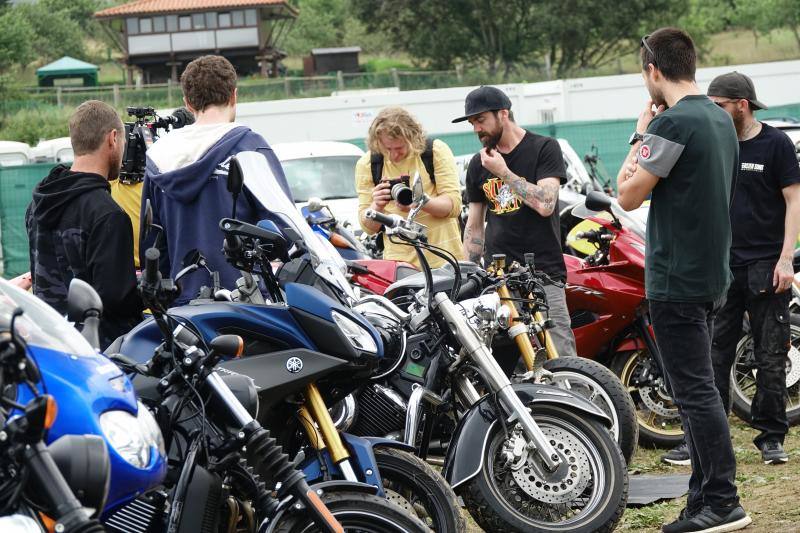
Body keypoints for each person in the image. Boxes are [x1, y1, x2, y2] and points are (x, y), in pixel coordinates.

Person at [616, 28, 750, 532]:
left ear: (654, 71)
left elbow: (626, 196)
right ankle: (702, 497)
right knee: (700, 390)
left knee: (695, 394)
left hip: (677, 278)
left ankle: (721, 500)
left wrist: (639, 134)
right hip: (713, 272)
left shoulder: (671, 124)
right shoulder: (720, 118)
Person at [141, 55, 292, 304]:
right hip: (248, 302)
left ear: (188, 103)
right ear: (234, 95)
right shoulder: (250, 148)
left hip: (184, 309)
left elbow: (152, 244)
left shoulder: (158, 159)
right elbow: (285, 230)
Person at [707, 73, 799, 463]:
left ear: (741, 104)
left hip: (766, 266)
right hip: (723, 268)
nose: (713, 113)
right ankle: (710, 438)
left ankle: (771, 437)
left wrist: (784, 260)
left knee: (770, 354)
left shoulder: (775, 144)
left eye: (719, 106)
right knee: (713, 355)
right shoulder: (716, 144)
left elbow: (795, 201)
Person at [456, 85, 577, 359]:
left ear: (503, 114)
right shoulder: (478, 164)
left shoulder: (544, 148)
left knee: (561, 357)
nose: (476, 129)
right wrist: (469, 274)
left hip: (543, 276)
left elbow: (546, 205)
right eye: (472, 123)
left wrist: (503, 172)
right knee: (507, 364)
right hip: (499, 281)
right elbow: (475, 226)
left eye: (481, 120)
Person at [26, 100, 142, 348]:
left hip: (51, 345)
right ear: (112, 139)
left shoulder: (38, 203)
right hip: (98, 354)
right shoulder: (107, 215)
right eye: (122, 141)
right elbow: (116, 303)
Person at [356, 106, 463, 268]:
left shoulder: (434, 151)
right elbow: (368, 228)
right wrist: (376, 206)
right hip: (400, 267)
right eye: (387, 148)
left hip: (444, 260)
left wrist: (420, 202)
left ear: (413, 138)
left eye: (399, 148)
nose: (393, 155)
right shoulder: (368, 164)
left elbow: (453, 206)